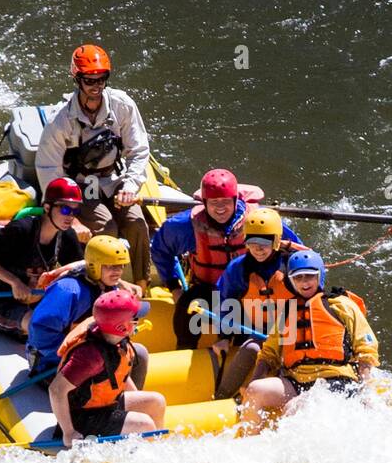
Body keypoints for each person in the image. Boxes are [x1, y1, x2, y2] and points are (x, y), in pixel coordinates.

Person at [34, 44, 152, 291]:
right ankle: (104, 287)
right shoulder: (61, 121)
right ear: (77, 79)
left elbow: (139, 150)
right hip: (81, 187)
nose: (96, 86)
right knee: (106, 226)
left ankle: (142, 285)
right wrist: (67, 213)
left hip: (114, 179)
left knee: (136, 222)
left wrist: (130, 185)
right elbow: (49, 170)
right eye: (90, 81)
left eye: (102, 80)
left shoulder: (122, 106)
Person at [240, 249, 379, 428]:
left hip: (336, 380)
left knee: (294, 408)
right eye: (298, 278)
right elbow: (269, 354)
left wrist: (366, 389)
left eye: (309, 276)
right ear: (291, 280)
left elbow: (365, 349)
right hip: (296, 381)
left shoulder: (341, 305)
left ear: (319, 276)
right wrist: (254, 381)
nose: (304, 282)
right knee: (254, 391)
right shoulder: (287, 311)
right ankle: (249, 444)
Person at [150, 168, 277, 349]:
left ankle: (246, 352)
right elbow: (161, 250)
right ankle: (186, 350)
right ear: (204, 202)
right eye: (214, 202)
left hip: (252, 292)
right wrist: (174, 287)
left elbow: (293, 250)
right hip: (207, 290)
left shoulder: (259, 221)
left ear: (236, 200)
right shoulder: (185, 225)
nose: (220, 208)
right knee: (187, 306)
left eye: (225, 201)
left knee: (248, 332)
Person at [48, 289, 167, 449]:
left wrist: (136, 404)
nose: (138, 321)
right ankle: (144, 462)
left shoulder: (116, 339)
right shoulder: (90, 357)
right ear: (121, 327)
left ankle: (157, 449)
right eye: (135, 318)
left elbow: (118, 373)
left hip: (104, 405)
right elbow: (56, 390)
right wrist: (68, 432)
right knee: (144, 425)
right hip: (82, 418)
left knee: (156, 401)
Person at [0, 177, 87, 339]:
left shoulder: (66, 235)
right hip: (2, 301)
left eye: (75, 211)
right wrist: (15, 283)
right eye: (65, 210)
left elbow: (80, 269)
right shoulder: (22, 229)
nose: (70, 217)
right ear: (47, 207)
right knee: (40, 325)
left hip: (36, 299)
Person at [211, 206, 305, 399]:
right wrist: (223, 336)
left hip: (293, 333)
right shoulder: (238, 269)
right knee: (252, 348)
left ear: (277, 241)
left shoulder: (293, 265)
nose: (258, 249)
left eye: (264, 242)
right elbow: (225, 301)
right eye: (252, 242)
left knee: (284, 357)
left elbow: (313, 295)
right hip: (257, 331)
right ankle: (222, 397)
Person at [26, 234, 148, 380]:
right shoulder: (67, 290)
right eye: (111, 266)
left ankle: (121, 398)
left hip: (92, 353)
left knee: (139, 353)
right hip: (53, 364)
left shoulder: (110, 287)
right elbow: (40, 334)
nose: (118, 271)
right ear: (94, 266)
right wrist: (82, 353)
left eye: (121, 266)